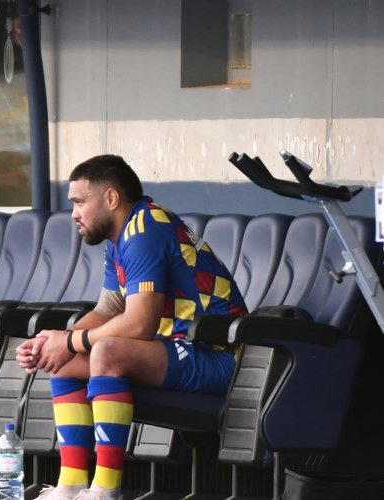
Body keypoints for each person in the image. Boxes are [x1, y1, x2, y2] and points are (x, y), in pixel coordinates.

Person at [17, 155, 248, 500]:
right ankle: (71, 484)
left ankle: (105, 490)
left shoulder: (146, 230)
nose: (74, 214)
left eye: (79, 202)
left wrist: (71, 341)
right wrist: (53, 342)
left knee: (106, 352)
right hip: (181, 352)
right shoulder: (121, 239)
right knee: (66, 362)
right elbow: (108, 309)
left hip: (221, 357)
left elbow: (139, 324)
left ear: (111, 198)